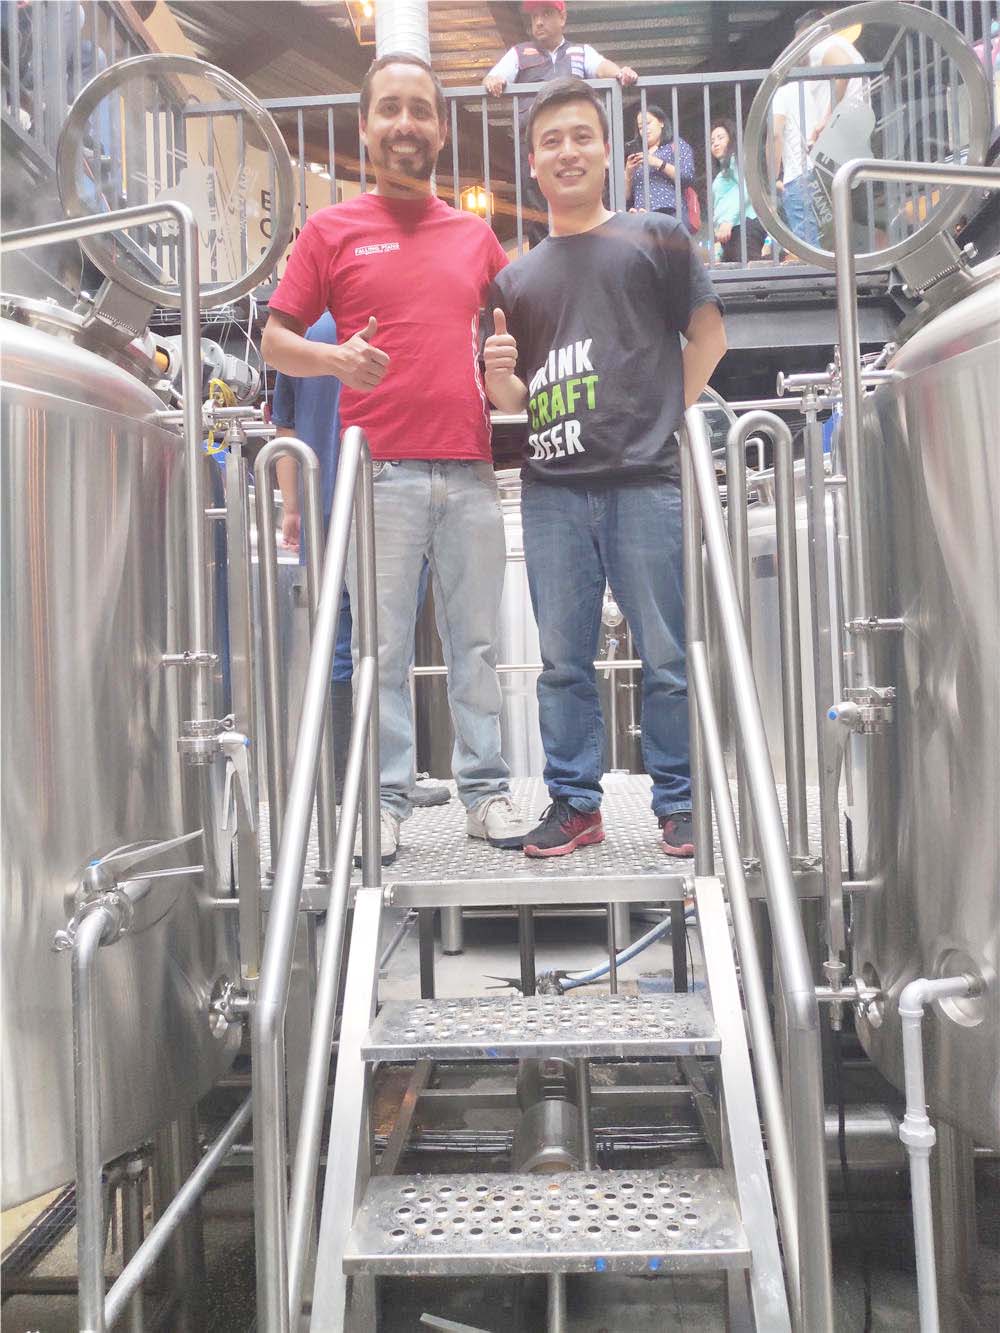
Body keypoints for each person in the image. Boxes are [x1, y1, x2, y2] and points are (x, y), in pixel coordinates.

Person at [261, 52, 530, 866]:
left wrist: (505, 377)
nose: (405, 124)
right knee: (379, 653)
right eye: (390, 109)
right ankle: (383, 801)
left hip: (471, 471)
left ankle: (485, 793)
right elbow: (274, 339)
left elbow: (514, 350)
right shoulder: (330, 231)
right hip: (376, 476)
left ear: (441, 130)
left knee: (475, 645)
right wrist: (336, 359)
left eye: (420, 109)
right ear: (365, 126)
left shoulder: (476, 238)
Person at [483, 78, 727, 859]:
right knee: (562, 663)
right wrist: (498, 382)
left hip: (646, 483)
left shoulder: (657, 237)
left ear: (609, 152)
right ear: (531, 161)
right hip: (553, 491)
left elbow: (710, 338)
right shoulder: (515, 280)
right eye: (550, 140)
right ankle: (574, 803)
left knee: (668, 655)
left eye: (581, 136)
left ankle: (680, 803)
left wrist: (661, 413)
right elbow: (521, 397)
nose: (567, 152)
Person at [484, 0, 637, 247]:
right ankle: (545, 257)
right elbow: (494, 76)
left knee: (586, 197)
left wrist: (620, 72)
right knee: (536, 206)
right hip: (537, 146)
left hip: (571, 144)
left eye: (546, 14)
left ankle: (588, 250)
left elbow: (602, 67)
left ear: (562, 18)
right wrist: (494, 80)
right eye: (534, 17)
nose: (539, 22)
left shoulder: (581, 52)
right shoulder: (519, 53)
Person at [625, 104, 696, 231]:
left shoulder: (675, 145)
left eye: (648, 123)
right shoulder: (639, 155)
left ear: (661, 122)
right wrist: (628, 173)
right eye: (640, 127)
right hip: (643, 218)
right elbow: (625, 198)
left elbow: (687, 176)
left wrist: (658, 163)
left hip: (671, 214)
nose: (645, 129)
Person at [709, 118, 766, 262]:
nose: (715, 143)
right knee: (740, 269)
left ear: (731, 139)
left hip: (743, 225)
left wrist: (728, 221)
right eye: (712, 141)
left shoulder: (737, 160)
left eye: (720, 138)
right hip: (731, 230)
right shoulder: (723, 170)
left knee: (748, 269)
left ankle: (782, 257)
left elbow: (747, 187)